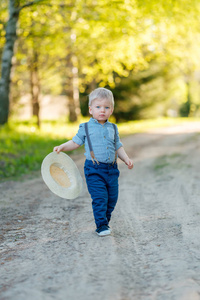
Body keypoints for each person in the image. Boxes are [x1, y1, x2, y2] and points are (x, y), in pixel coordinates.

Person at [53, 87, 133, 237]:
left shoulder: (113, 128)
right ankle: (101, 225)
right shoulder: (86, 127)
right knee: (100, 197)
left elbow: (118, 146)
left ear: (111, 110)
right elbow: (75, 142)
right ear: (91, 109)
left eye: (106, 107)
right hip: (94, 170)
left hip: (112, 170)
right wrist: (62, 147)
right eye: (98, 107)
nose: (102, 110)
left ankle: (105, 220)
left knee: (112, 199)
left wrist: (126, 158)